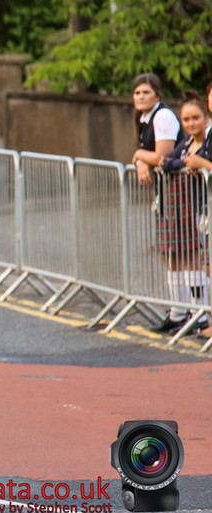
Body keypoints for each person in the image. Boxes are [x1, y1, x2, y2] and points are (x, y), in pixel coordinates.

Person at [129, 74, 185, 333]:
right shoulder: (144, 119)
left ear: (157, 95)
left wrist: (140, 156)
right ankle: (178, 311)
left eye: (146, 92)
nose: (140, 97)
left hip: (180, 188)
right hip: (166, 190)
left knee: (184, 252)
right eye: (137, 93)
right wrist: (142, 161)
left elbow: (162, 157)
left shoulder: (162, 116)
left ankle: (194, 313)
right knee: (169, 252)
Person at [155, 90, 212, 335]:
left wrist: (195, 163)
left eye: (195, 118)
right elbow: (168, 161)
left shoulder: (209, 138)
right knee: (194, 260)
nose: (190, 123)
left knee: (201, 262)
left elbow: (195, 162)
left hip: (204, 204)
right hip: (196, 207)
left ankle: (201, 314)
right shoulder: (188, 142)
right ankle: (190, 313)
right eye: (186, 119)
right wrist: (182, 162)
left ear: (205, 117)